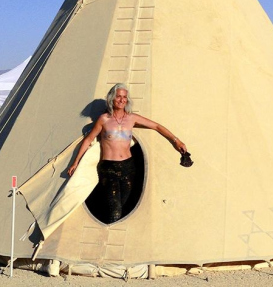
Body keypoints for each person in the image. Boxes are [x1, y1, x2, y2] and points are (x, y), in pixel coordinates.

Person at [67, 83, 187, 223]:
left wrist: (176, 141)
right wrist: (75, 162)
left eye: (124, 97)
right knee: (115, 209)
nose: (122, 100)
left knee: (125, 206)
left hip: (128, 167)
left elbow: (156, 126)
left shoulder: (131, 118)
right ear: (112, 98)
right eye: (118, 96)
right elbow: (88, 140)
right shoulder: (104, 119)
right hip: (108, 168)